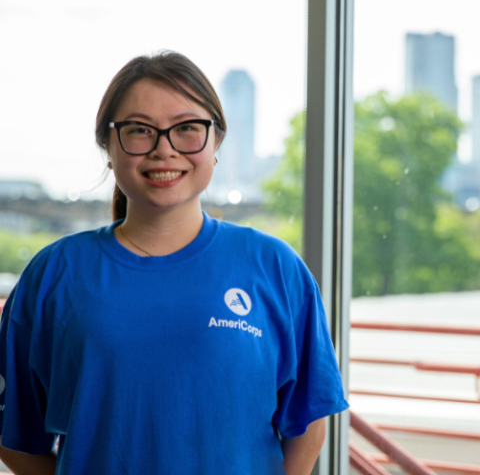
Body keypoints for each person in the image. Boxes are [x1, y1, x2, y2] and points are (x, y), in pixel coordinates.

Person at [0, 51, 349, 475]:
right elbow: (13, 432)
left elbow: (309, 422)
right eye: (140, 131)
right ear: (109, 147)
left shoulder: (275, 268)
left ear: (216, 142)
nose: (164, 150)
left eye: (186, 129)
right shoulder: (55, 274)